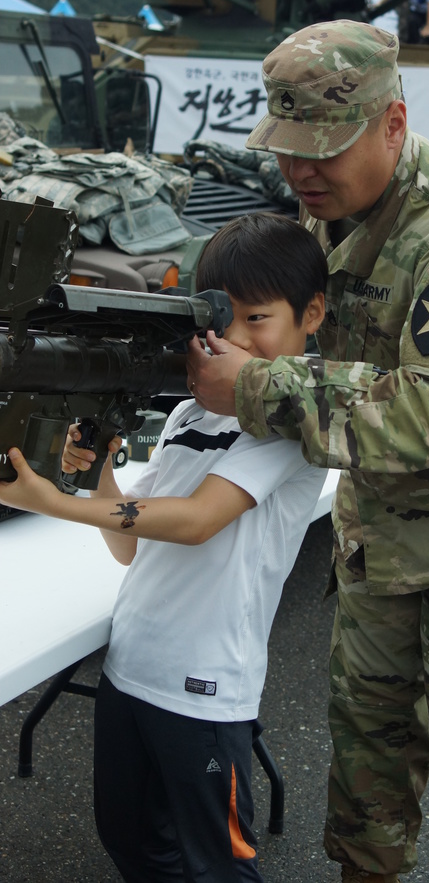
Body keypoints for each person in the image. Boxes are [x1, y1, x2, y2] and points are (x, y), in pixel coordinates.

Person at [185, 19, 429, 883]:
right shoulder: (329, 205)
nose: (301, 171)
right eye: (288, 147)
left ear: (395, 124)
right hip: (386, 527)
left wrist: (257, 390)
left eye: (324, 149)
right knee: (367, 760)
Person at [0, 212, 329, 883]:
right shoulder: (191, 411)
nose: (233, 342)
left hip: (204, 695)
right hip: (131, 669)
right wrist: (97, 471)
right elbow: (132, 545)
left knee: (221, 864)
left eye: (258, 320)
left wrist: (54, 500)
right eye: (219, 323)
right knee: (133, 843)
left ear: (311, 314)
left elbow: (199, 518)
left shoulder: (295, 429)